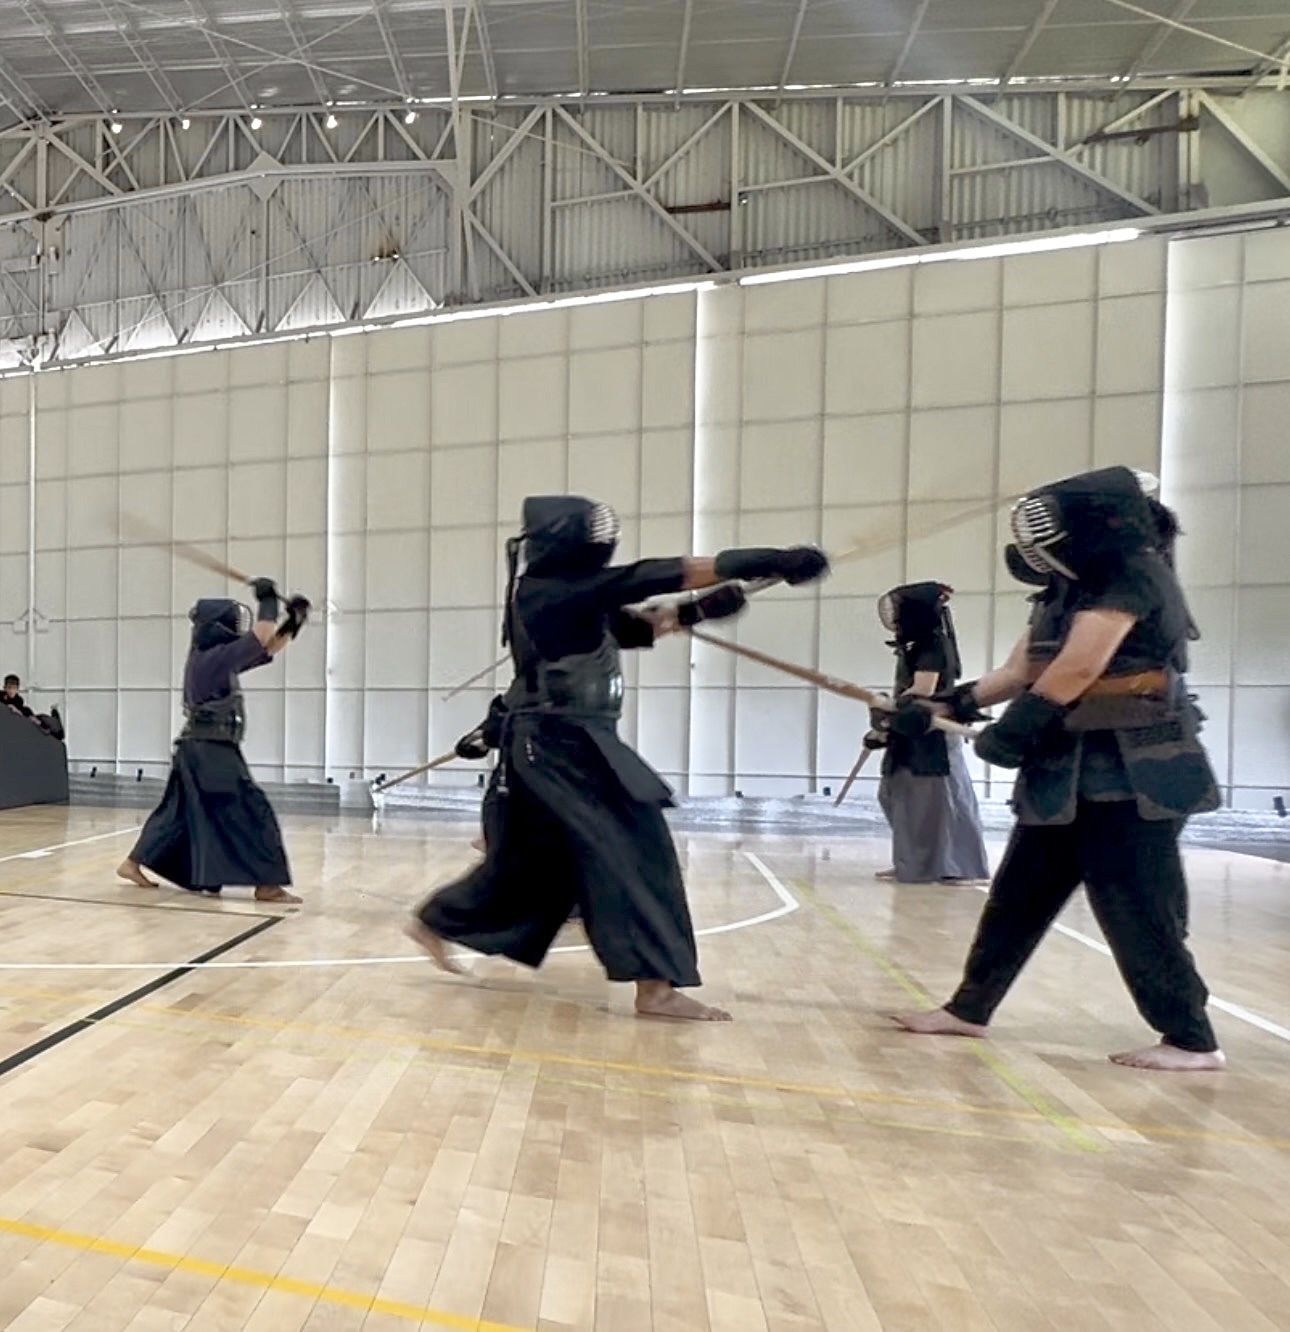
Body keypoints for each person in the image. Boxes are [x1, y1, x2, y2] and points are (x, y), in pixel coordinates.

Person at [407, 495, 828, 1021]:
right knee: (637, 849)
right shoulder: (551, 592)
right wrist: (766, 561)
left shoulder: (566, 595)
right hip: (564, 742)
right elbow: (648, 577)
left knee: (539, 863)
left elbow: (632, 626)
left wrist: (700, 610)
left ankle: (437, 921)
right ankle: (656, 988)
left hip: (558, 740)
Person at [890, 466, 1225, 1072]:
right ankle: (970, 1009)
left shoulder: (1135, 576)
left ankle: (1191, 1039)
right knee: (1018, 896)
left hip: (1133, 772)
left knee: (1136, 906)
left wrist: (1013, 733)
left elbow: (1076, 670)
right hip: (1063, 772)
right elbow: (1020, 672)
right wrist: (944, 705)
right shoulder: (1065, 589)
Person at [117, 579, 310, 905]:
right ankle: (267, 884)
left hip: (197, 748)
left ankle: (132, 863)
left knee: (177, 813)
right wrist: (267, 601)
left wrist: (294, 622)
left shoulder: (213, 658)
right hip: (210, 749)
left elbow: (268, 647)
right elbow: (261, 636)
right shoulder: (212, 659)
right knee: (253, 809)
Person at [869, 582, 989, 885]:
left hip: (931, 730)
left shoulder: (933, 644)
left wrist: (889, 708)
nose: (892, 615)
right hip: (912, 726)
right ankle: (914, 862)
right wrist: (886, 723)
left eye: (897, 608)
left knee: (938, 800)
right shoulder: (913, 645)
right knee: (897, 794)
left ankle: (958, 867)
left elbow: (923, 691)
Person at [3, 674, 64, 740]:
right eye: (9, 688)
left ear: (17, 689)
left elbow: (38, 725)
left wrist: (19, 713)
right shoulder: (2, 703)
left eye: (14, 688)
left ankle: (54, 712)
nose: (11, 691)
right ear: (5, 688)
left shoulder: (24, 709)